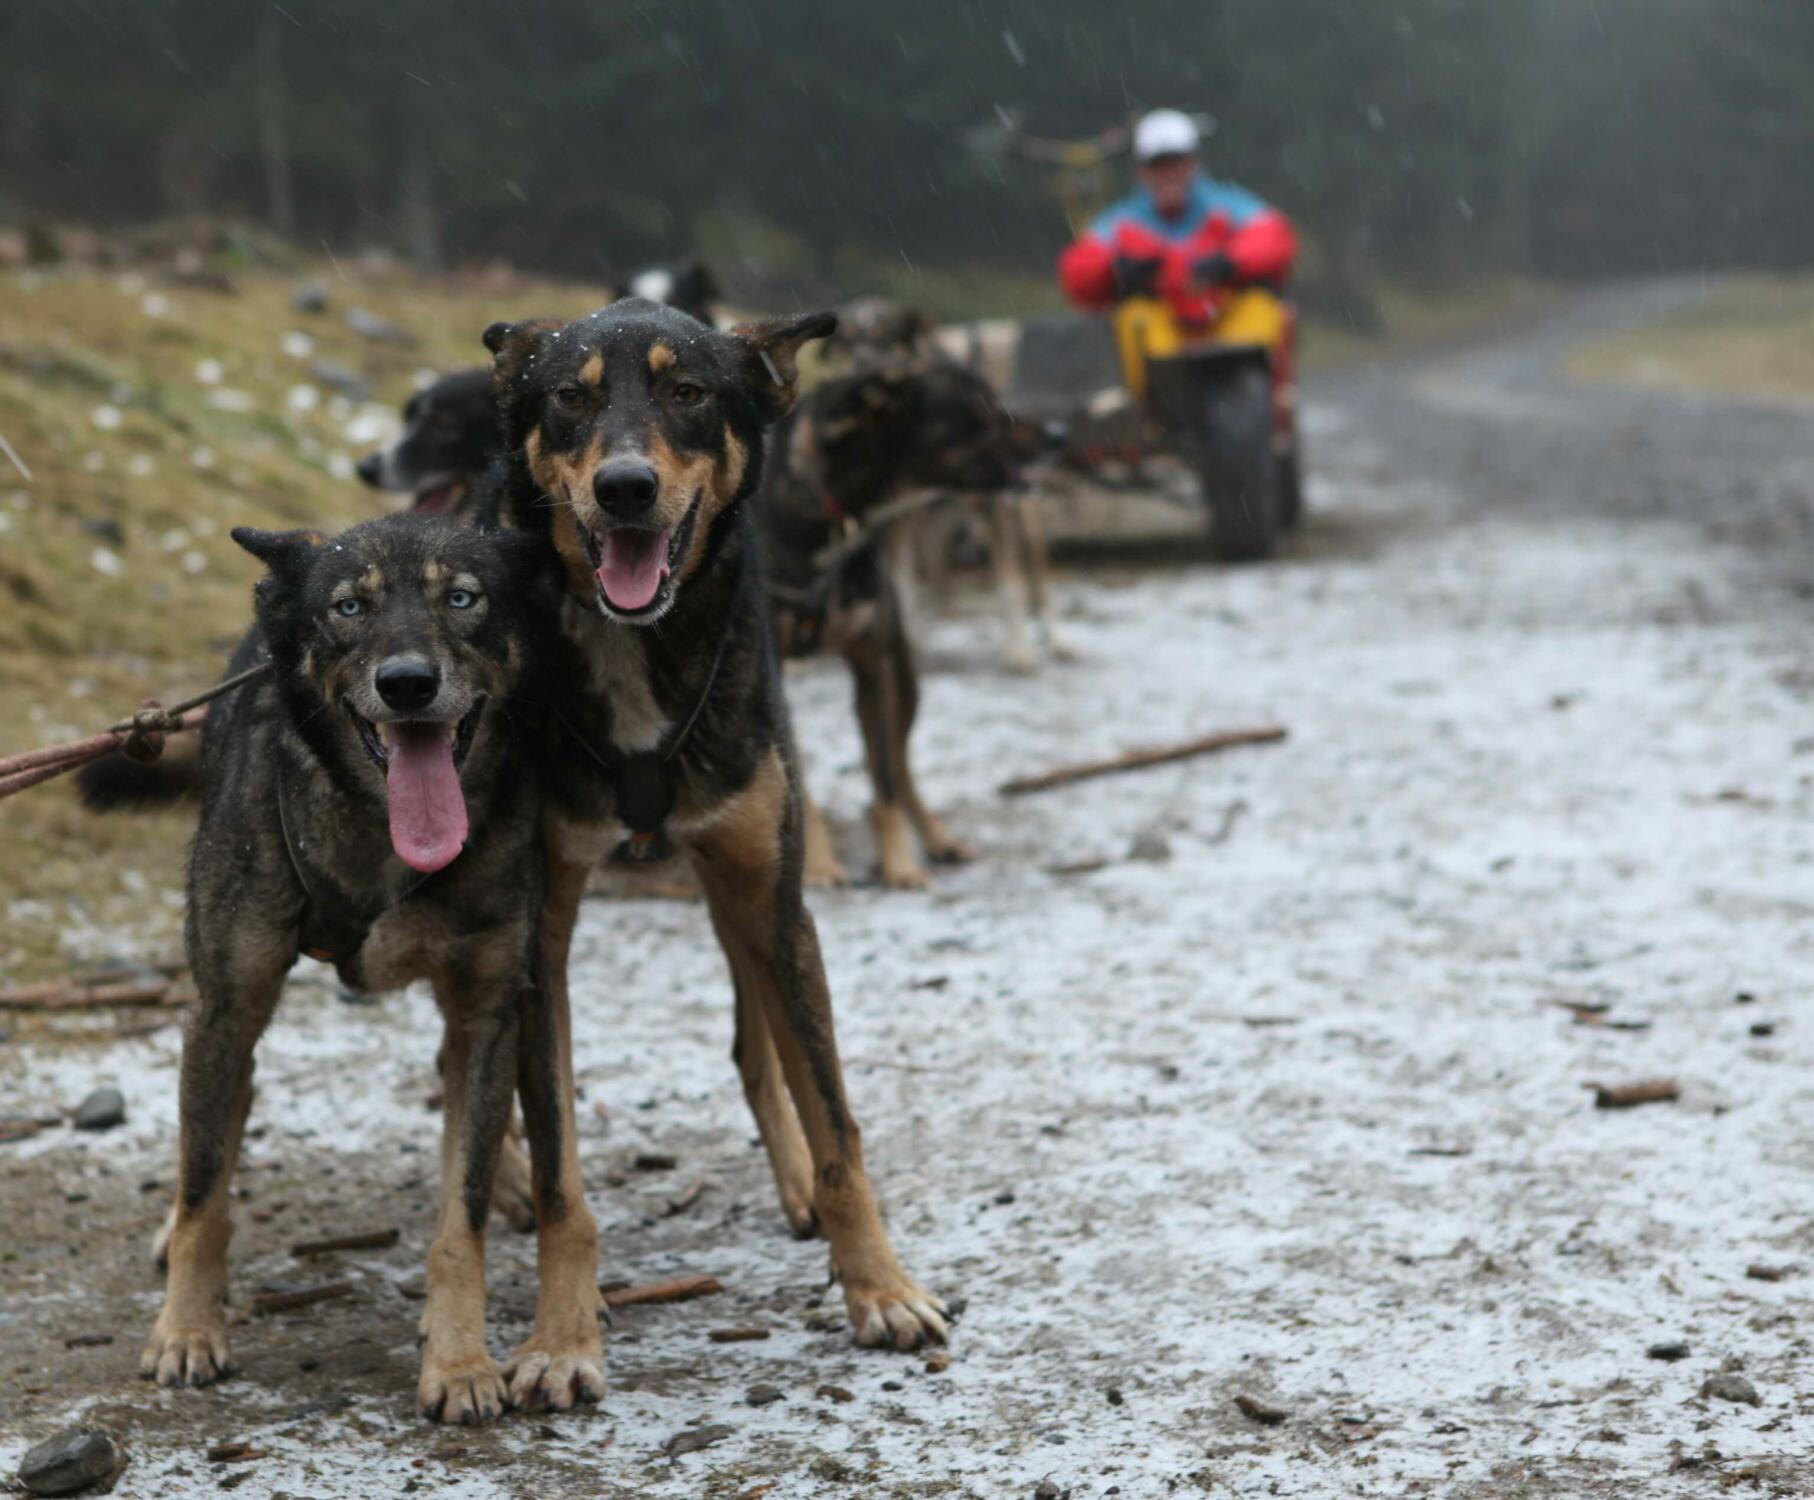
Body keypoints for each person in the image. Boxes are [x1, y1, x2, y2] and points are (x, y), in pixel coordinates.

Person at [1058, 109, 1297, 325]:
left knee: (1262, 307)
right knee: (1132, 315)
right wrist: (1116, 268)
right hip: (1157, 338)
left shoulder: (1226, 205)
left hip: (1228, 326)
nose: (1168, 174)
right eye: (1157, 165)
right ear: (1141, 172)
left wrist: (1228, 263)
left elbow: (1274, 237)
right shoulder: (1123, 220)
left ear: (1193, 164)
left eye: (1176, 163)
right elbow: (1079, 271)